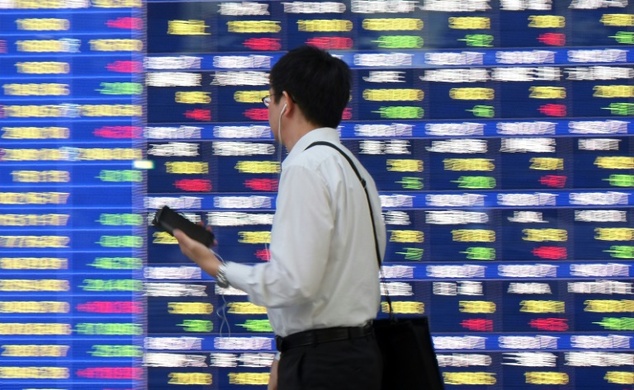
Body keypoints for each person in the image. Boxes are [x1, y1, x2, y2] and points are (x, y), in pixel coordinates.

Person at [173, 44, 386, 390]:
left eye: (268, 100)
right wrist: (285, 353)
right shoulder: (354, 168)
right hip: (354, 355)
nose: (268, 110)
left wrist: (217, 267)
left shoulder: (305, 167)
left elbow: (295, 283)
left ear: (286, 102)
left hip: (323, 366)